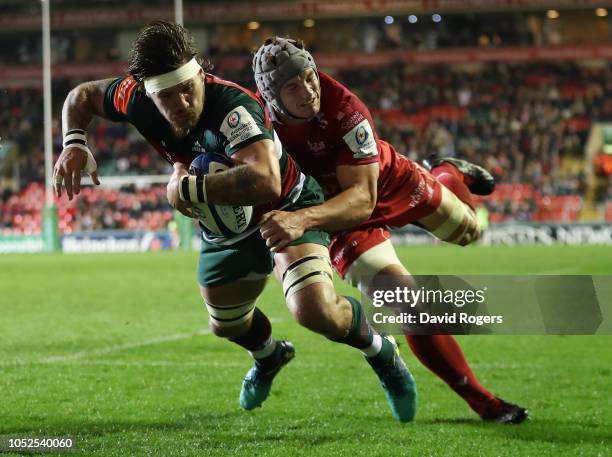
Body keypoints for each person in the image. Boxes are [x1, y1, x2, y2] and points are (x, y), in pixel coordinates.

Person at [52, 21, 417, 422]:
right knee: (226, 324)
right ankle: (269, 357)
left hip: (285, 208)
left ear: (199, 75)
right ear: (148, 93)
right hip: (225, 225)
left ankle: (381, 353)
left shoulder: (234, 107)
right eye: (167, 97)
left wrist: (187, 191)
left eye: (188, 89)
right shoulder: (134, 97)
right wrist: (73, 143)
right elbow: (81, 95)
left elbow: (265, 179)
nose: (181, 103)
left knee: (313, 310)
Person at [252, 37, 528, 424]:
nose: (309, 90)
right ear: (272, 97)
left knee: (469, 231)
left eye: (309, 77)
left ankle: (446, 172)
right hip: (335, 217)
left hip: (383, 181)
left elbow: (363, 199)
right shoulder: (256, 123)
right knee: (411, 304)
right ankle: (484, 402)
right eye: (293, 86)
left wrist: (300, 219)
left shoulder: (345, 108)